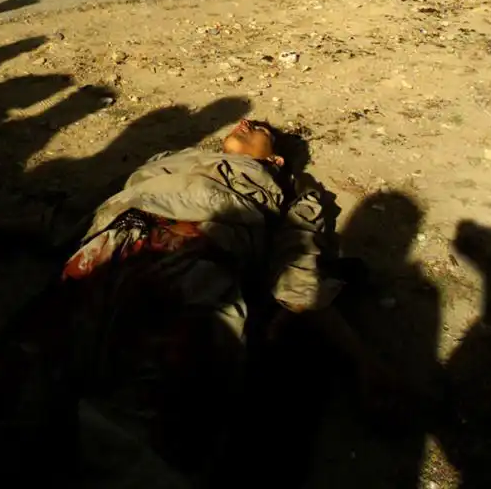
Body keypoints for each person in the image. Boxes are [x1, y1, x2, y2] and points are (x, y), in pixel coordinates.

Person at [59, 118, 382, 477]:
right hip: (112, 243)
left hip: (194, 259)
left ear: (275, 159)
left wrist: (362, 359)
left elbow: (299, 262)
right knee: (50, 370)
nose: (245, 122)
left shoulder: (287, 190)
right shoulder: (171, 158)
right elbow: (98, 203)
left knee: (149, 411)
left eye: (260, 129)